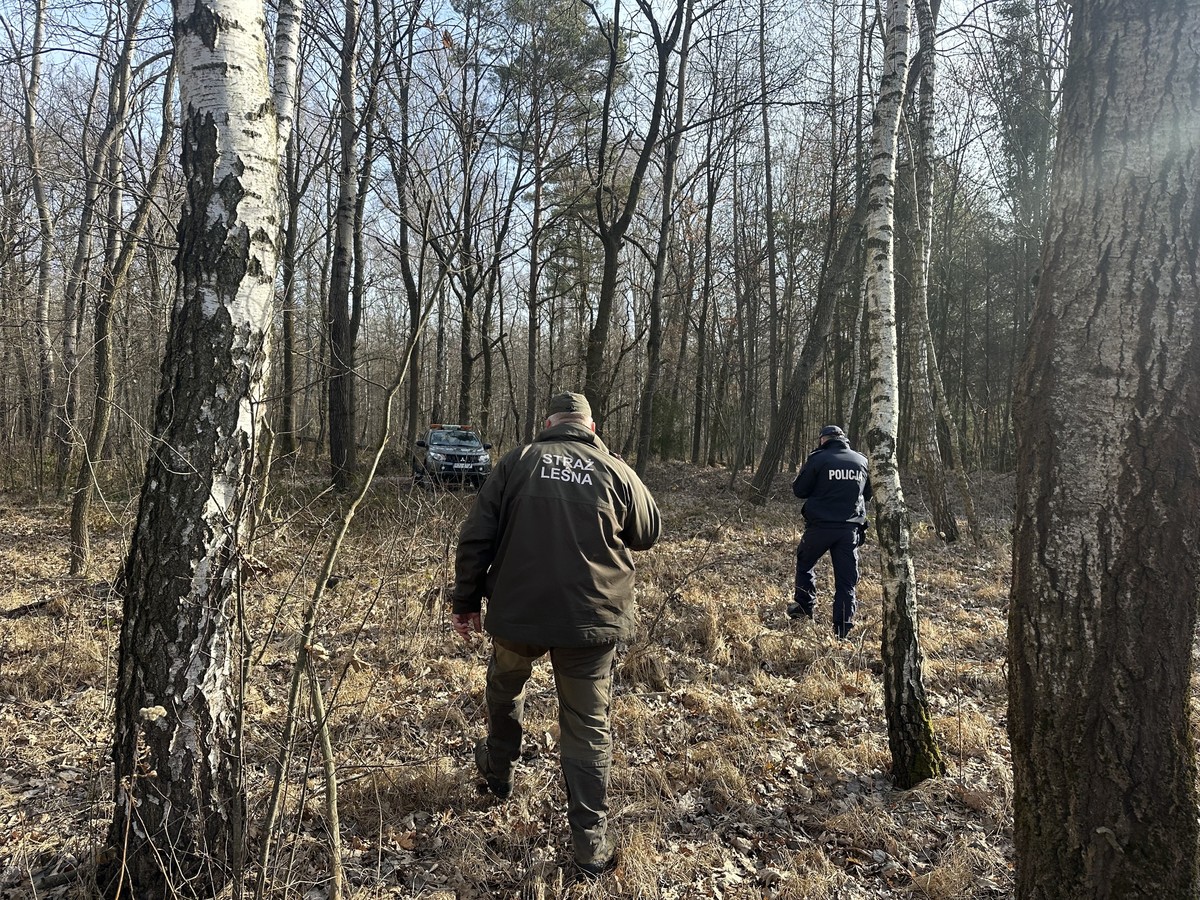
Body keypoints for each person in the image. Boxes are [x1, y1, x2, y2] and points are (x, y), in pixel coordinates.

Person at [450, 391, 661, 878]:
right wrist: (614, 462)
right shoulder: (613, 469)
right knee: (587, 725)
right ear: (591, 427)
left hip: (519, 612)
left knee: (505, 685)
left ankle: (498, 772)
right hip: (590, 618)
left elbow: (476, 535)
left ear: (548, 423)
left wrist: (466, 602)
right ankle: (590, 846)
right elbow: (648, 531)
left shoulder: (518, 461)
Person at [788, 424, 872, 639]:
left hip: (820, 527)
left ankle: (804, 609)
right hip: (849, 530)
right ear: (844, 439)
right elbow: (868, 494)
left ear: (823, 440)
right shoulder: (861, 460)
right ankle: (842, 629)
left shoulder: (818, 459)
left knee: (805, 564)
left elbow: (799, 490)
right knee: (846, 581)